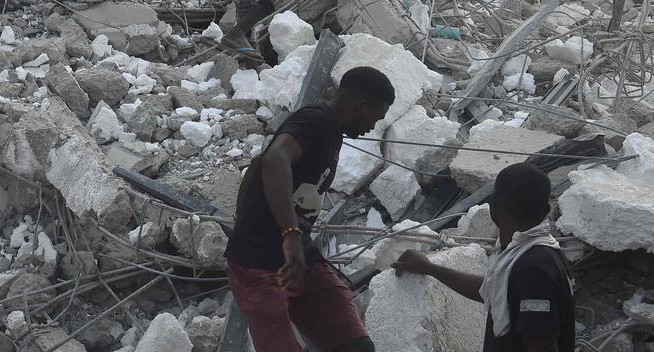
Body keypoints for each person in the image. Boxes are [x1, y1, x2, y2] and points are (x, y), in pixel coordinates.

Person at [226, 67, 395, 352]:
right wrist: (289, 233)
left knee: (356, 345)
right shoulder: (316, 121)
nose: (372, 128)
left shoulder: (333, 131)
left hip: (301, 258)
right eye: (374, 119)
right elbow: (273, 159)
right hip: (258, 265)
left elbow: (257, 163)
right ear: (360, 106)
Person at [393, 163, 574, 352]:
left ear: (494, 203)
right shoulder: (533, 254)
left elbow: (541, 345)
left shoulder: (534, 270)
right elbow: (492, 289)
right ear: (546, 210)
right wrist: (430, 269)